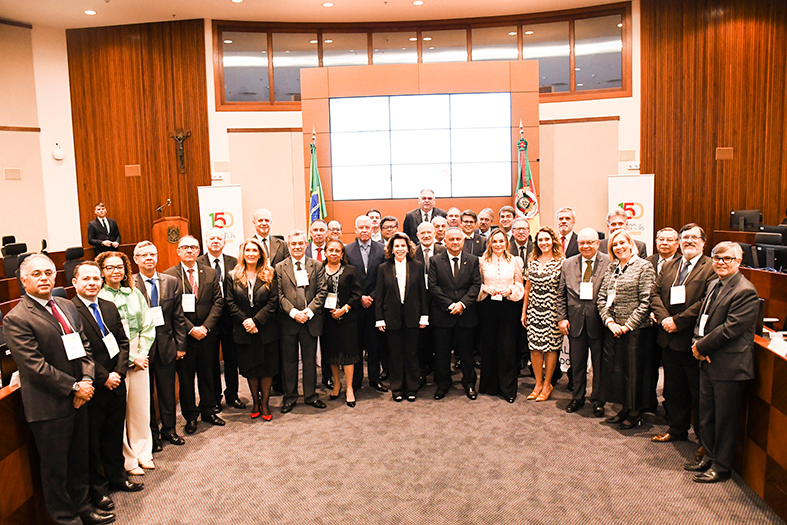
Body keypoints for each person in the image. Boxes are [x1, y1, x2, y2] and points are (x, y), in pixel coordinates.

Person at [4, 254, 116, 525]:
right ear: (23, 280)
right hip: (50, 406)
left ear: (56, 276)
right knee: (56, 469)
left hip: (80, 398)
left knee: (79, 461)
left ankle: (84, 508)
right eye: (37, 274)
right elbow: (35, 367)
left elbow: (85, 349)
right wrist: (74, 387)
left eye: (48, 273)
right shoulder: (16, 318)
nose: (44, 278)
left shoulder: (66, 306)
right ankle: (66, 519)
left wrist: (87, 382)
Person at [683, 242, 758, 483]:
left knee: (724, 419)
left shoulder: (745, 291)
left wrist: (701, 346)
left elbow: (730, 329)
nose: (721, 263)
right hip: (707, 360)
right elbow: (702, 320)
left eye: (727, 259)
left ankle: (722, 466)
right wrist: (697, 342)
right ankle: (709, 455)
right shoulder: (715, 283)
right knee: (707, 415)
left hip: (729, 366)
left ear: (739, 261)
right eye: (717, 258)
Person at [71, 261, 143, 511]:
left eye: (95, 278)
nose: (92, 283)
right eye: (85, 279)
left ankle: (118, 477)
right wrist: (104, 377)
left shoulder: (109, 306)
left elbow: (123, 342)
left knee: (114, 433)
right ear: (75, 283)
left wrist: (119, 372)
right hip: (94, 385)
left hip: (117, 380)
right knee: (93, 439)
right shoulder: (70, 311)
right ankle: (99, 490)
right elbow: (79, 351)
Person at [651, 224, 715, 446]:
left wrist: (678, 321)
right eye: (685, 237)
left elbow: (707, 301)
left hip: (693, 341)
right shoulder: (670, 265)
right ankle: (677, 429)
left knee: (697, 394)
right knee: (673, 389)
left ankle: (702, 441)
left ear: (703, 241)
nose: (689, 240)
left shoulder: (711, 267)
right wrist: (664, 319)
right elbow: (655, 293)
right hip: (668, 339)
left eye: (693, 237)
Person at [96, 251, 156, 477]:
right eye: (110, 267)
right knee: (119, 412)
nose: (115, 271)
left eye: (119, 267)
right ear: (102, 271)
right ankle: (129, 459)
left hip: (140, 354)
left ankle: (143, 452)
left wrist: (141, 353)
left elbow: (148, 325)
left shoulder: (135, 293)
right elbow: (106, 337)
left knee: (140, 409)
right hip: (114, 359)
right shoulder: (100, 297)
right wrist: (130, 358)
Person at [163, 236, 226, 434]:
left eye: (193, 247)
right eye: (185, 247)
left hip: (208, 335)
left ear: (198, 251)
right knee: (186, 379)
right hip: (184, 337)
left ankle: (208, 411)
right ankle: (190, 416)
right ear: (178, 251)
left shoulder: (209, 272)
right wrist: (191, 329)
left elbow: (218, 302)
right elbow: (173, 309)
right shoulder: (170, 276)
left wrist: (205, 327)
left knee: (208, 374)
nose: (189, 250)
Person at [597, 229, 656, 430]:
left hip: (636, 331)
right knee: (618, 372)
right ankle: (624, 408)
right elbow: (602, 299)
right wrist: (610, 323)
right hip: (614, 329)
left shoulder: (644, 266)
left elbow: (646, 301)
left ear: (631, 243)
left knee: (635, 373)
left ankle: (635, 412)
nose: (619, 247)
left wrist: (628, 325)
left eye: (623, 243)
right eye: (615, 245)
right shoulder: (612, 267)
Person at [133, 241, 187, 451]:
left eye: (152, 254)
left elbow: (178, 317)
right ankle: (152, 435)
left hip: (166, 345)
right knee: (145, 394)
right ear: (136, 259)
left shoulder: (171, 281)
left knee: (167, 391)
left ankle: (169, 430)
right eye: (143, 255)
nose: (149, 258)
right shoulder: (130, 283)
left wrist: (180, 345)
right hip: (142, 349)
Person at [225, 238, 280, 420]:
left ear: (260, 254)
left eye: (254, 251)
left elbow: (273, 302)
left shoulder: (270, 273)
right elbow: (230, 302)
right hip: (244, 331)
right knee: (251, 368)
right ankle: (255, 402)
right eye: (248, 250)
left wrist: (256, 321)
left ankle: (264, 403)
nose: (251, 254)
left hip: (266, 330)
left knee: (266, 368)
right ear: (243, 253)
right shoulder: (232, 275)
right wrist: (246, 321)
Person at [557, 228, 610, 416]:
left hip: (599, 322)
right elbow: (561, 293)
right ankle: (577, 398)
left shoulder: (609, 262)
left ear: (597, 243)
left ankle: (598, 400)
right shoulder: (568, 263)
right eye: (582, 243)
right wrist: (561, 318)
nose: (585, 246)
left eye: (590, 242)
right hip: (575, 323)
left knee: (599, 365)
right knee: (577, 363)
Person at [276, 230, 328, 413]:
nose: (297, 247)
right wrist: (293, 313)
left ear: (306, 245)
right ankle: (290, 397)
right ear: (288, 246)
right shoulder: (280, 267)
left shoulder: (317, 265)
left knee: (309, 361)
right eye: (293, 244)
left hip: (309, 321)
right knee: (289, 362)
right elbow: (279, 295)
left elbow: (322, 292)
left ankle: (310, 395)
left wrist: (308, 311)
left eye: (300, 243)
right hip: (289, 322)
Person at [428, 227, 482, 400]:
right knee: (442, 353)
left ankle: (469, 384)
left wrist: (462, 304)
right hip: (443, 315)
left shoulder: (473, 260)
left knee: (466, 353)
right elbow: (433, 287)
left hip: (465, 315)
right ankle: (443, 384)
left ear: (463, 241)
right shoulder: (435, 261)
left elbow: (475, 286)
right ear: (445, 241)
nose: (455, 242)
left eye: (458, 239)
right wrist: (450, 305)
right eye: (451, 239)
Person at [376, 232, 429, 402]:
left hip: (413, 317)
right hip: (391, 318)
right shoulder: (383, 268)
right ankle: (397, 388)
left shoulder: (418, 266)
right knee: (395, 354)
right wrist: (379, 318)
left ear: (408, 248)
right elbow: (380, 296)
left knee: (412, 354)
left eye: (402, 246)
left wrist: (424, 316)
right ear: (391, 249)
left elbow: (423, 293)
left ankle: (412, 387)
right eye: (396, 246)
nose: (399, 249)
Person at [196, 228, 245, 411]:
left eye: (219, 238)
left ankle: (232, 395)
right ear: (206, 241)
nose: (215, 241)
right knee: (210, 361)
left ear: (224, 242)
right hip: (208, 318)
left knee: (232, 359)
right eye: (212, 238)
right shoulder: (198, 262)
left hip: (231, 318)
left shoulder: (234, 262)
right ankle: (214, 398)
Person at [477, 229, 525, 403]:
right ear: (490, 243)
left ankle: (508, 389)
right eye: (495, 241)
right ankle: (489, 386)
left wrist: (510, 290)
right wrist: (484, 289)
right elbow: (477, 284)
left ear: (506, 243)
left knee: (507, 347)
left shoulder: (515, 261)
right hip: (488, 306)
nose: (498, 244)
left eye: (501, 241)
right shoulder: (482, 261)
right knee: (489, 346)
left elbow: (520, 285)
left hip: (508, 306)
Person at [521, 226, 565, 402]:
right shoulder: (532, 261)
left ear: (553, 241)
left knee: (551, 348)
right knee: (535, 348)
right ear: (536, 243)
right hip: (534, 310)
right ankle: (538, 383)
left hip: (553, 311)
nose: (544, 243)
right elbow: (527, 287)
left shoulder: (562, 262)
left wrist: (563, 315)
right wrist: (524, 311)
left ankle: (548, 384)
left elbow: (564, 290)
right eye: (540, 240)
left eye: (547, 239)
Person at [345, 215, 388, 393]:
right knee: (355, 343)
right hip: (355, 305)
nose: (364, 230)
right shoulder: (346, 250)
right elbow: (345, 278)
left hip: (375, 305)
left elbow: (385, 278)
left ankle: (374, 379)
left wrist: (371, 296)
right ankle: (355, 381)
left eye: (367, 227)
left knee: (374, 344)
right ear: (355, 229)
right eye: (360, 227)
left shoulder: (382, 249)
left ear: (373, 229)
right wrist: (360, 296)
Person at [321, 239, 363, 407]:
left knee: (348, 354)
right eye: (330, 250)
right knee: (332, 354)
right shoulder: (318, 270)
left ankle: (350, 388)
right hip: (327, 320)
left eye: (337, 250)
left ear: (342, 253)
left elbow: (357, 293)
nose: (333, 253)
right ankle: (336, 384)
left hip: (347, 319)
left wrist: (344, 309)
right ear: (325, 252)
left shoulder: (350, 270)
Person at [413, 221, 445, 383]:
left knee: (439, 339)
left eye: (429, 232)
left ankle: (438, 372)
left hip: (439, 303)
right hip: (419, 303)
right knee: (421, 340)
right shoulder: (412, 253)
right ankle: (422, 371)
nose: (426, 235)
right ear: (418, 236)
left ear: (434, 234)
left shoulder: (443, 251)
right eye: (422, 233)